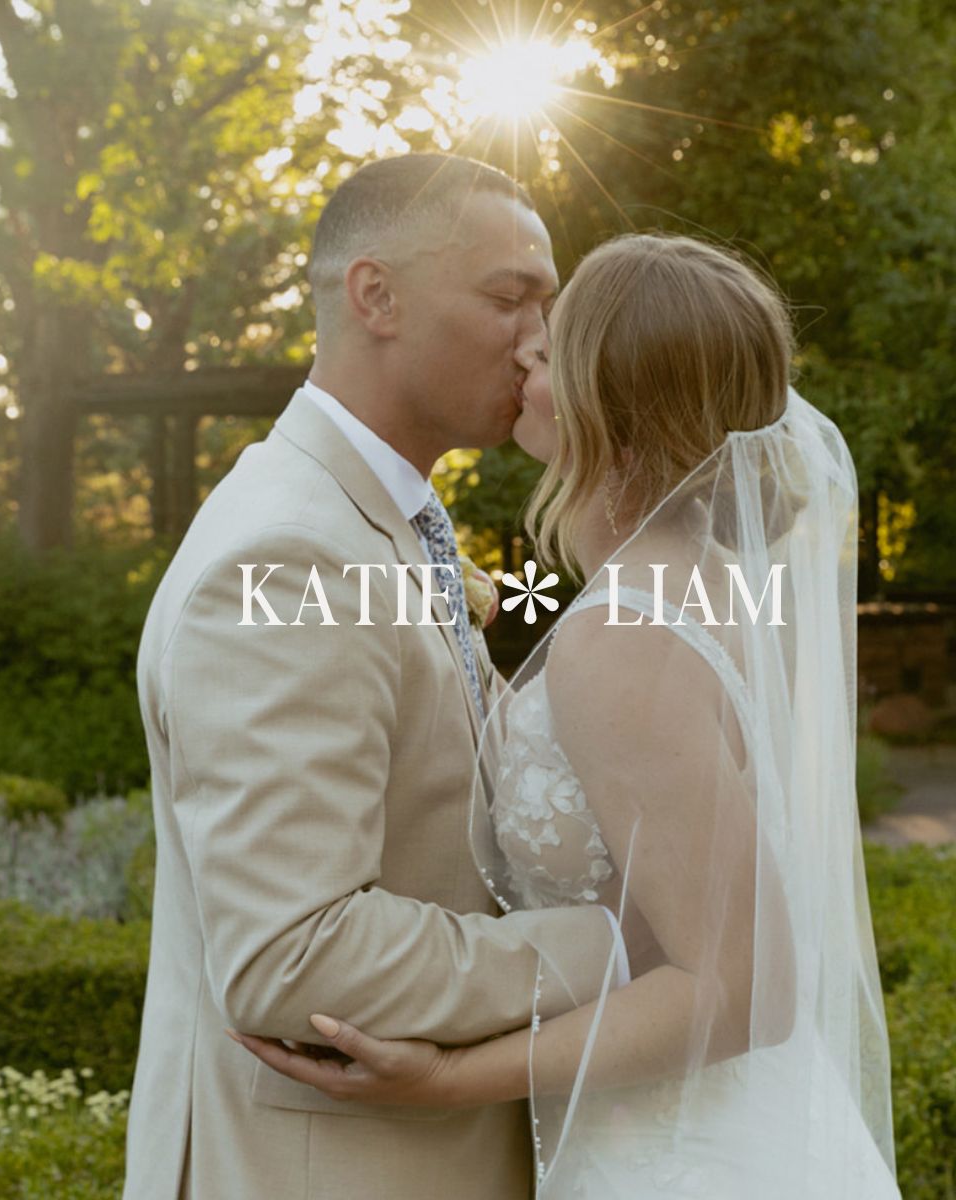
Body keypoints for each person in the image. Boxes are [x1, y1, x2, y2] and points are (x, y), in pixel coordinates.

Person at [237, 233, 903, 1197]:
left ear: (609, 408)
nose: (522, 360)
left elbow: (741, 990)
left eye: (548, 354)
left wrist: (450, 1078)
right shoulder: (717, 584)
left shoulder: (623, 635)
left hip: (674, 1159)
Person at [123, 153, 628, 1200]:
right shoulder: (289, 556)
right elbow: (294, 953)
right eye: (509, 298)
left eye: (551, 304)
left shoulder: (383, 524)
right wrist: (607, 951)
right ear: (377, 296)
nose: (543, 340)